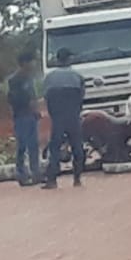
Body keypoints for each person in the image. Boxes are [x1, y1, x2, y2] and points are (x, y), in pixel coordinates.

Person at [42, 48, 87, 189]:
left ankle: (52, 180)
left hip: (58, 117)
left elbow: (47, 98)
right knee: (77, 147)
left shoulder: (49, 77)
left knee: (54, 147)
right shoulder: (77, 76)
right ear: (68, 59)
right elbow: (81, 97)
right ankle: (77, 179)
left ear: (57, 59)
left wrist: (53, 114)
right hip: (73, 116)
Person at [7, 51, 42, 187]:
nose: (33, 64)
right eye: (31, 61)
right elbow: (18, 99)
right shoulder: (16, 80)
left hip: (30, 115)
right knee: (22, 145)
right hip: (22, 115)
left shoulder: (28, 77)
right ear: (24, 63)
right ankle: (22, 174)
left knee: (33, 145)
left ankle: (35, 173)